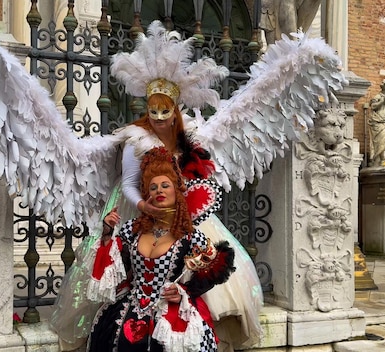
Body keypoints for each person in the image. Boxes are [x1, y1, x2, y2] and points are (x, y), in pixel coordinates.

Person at [50, 21, 263, 352]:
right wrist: (143, 206)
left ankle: (189, 331)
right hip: (138, 211)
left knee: (193, 272)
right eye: (154, 110)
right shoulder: (135, 138)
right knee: (122, 275)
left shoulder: (189, 137)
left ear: (175, 110)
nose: (159, 117)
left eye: (166, 110)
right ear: (146, 108)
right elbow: (131, 183)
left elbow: (199, 174)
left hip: (183, 215)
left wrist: (183, 199)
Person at [84, 147, 235, 351]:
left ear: (177, 191)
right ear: (147, 196)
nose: (159, 191)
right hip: (128, 309)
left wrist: (184, 292)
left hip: (169, 314)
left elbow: (213, 270)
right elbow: (114, 269)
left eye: (165, 185)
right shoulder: (132, 230)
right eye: (153, 188)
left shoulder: (190, 236)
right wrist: (107, 232)